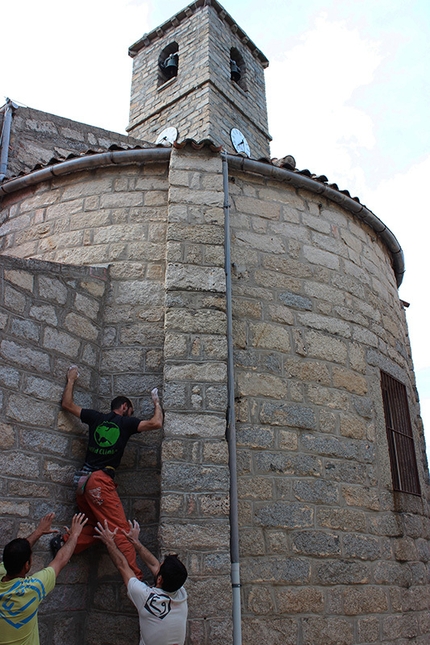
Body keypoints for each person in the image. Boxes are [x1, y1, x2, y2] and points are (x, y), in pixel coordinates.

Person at [57, 365, 163, 579]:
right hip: (99, 482)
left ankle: (65, 542)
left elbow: (67, 404)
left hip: (82, 483)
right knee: (121, 530)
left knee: (99, 526)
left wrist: (70, 380)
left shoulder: (95, 418)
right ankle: (137, 580)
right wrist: (156, 403)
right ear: (124, 407)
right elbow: (156, 423)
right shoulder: (124, 423)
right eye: (131, 411)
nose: (131, 415)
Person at [95, 519, 188, 645]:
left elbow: (123, 566)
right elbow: (154, 565)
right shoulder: (181, 593)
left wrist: (109, 542)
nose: (157, 564)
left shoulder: (146, 597)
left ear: (160, 579)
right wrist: (136, 542)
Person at [0, 512, 87, 645]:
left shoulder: (4, 571)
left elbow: (16, 553)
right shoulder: (32, 589)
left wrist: (39, 532)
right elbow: (60, 560)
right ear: (26, 565)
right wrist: (75, 534)